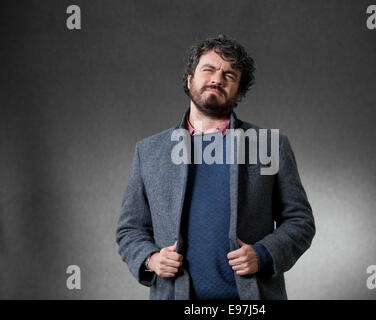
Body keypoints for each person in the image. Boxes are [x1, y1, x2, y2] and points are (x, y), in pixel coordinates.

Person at [116, 34, 315, 300]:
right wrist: (151, 259)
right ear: (190, 79)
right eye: (208, 69)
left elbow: (300, 221)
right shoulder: (149, 151)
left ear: (240, 91)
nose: (217, 79)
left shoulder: (269, 146)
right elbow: (130, 229)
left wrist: (264, 254)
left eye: (229, 75)